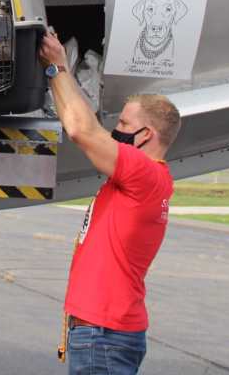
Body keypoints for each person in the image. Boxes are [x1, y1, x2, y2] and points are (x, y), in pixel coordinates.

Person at [40, 30, 181, 375]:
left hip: (103, 335)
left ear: (146, 134)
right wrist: (53, 73)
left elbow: (81, 131)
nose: (114, 130)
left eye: (123, 123)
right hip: (106, 331)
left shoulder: (143, 173)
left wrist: (58, 65)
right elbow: (77, 122)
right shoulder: (147, 181)